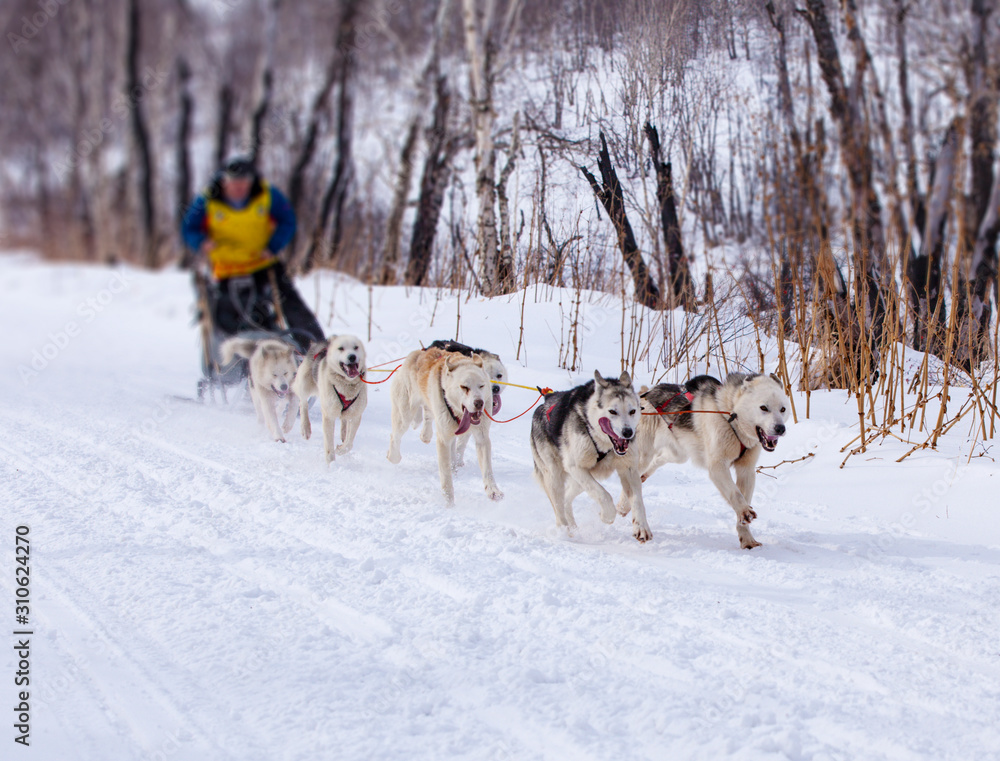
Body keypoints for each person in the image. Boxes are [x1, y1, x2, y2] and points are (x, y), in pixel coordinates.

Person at [181, 155, 324, 351]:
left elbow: (287, 220)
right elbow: (189, 227)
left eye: (243, 183)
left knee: (290, 302)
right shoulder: (207, 199)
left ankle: (314, 348)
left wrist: (273, 246)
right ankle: (232, 358)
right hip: (225, 268)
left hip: (261, 264)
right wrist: (201, 242)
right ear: (224, 182)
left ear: (251, 182)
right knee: (225, 312)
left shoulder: (267, 194)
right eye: (234, 183)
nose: (239, 188)